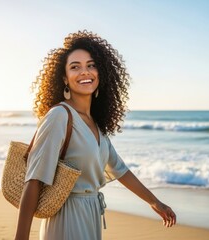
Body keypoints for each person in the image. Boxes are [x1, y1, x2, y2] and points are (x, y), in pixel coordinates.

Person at [15, 30, 176, 240]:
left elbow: (120, 170)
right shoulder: (59, 116)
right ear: (64, 77)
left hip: (92, 214)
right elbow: (34, 179)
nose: (85, 72)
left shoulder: (96, 125)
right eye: (75, 67)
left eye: (91, 65)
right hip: (65, 218)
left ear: (101, 72)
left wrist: (155, 202)